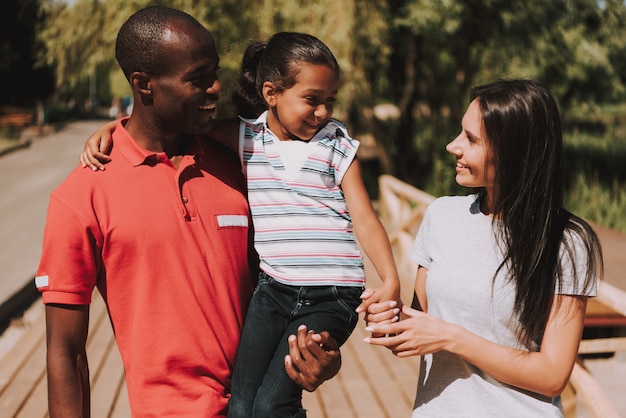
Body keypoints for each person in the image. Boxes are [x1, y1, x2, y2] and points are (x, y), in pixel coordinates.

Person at [36, 7, 340, 417]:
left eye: (215, 72)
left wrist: (322, 350)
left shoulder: (247, 162)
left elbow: (293, 278)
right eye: (198, 79)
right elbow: (65, 352)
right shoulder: (81, 195)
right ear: (144, 85)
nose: (216, 87)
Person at [81, 31, 401, 418]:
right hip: (273, 292)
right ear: (271, 93)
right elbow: (177, 126)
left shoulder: (336, 143)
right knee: (241, 405)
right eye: (311, 100)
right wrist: (115, 129)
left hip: (331, 294)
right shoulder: (248, 138)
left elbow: (365, 217)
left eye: (329, 101)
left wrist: (390, 279)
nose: (322, 112)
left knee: (271, 406)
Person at [363, 80, 603, 417]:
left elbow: (552, 376)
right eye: (460, 133)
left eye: (471, 140)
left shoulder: (568, 240)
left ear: (515, 152)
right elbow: (420, 326)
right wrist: (388, 314)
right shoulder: (441, 215)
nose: (452, 146)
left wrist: (451, 338)